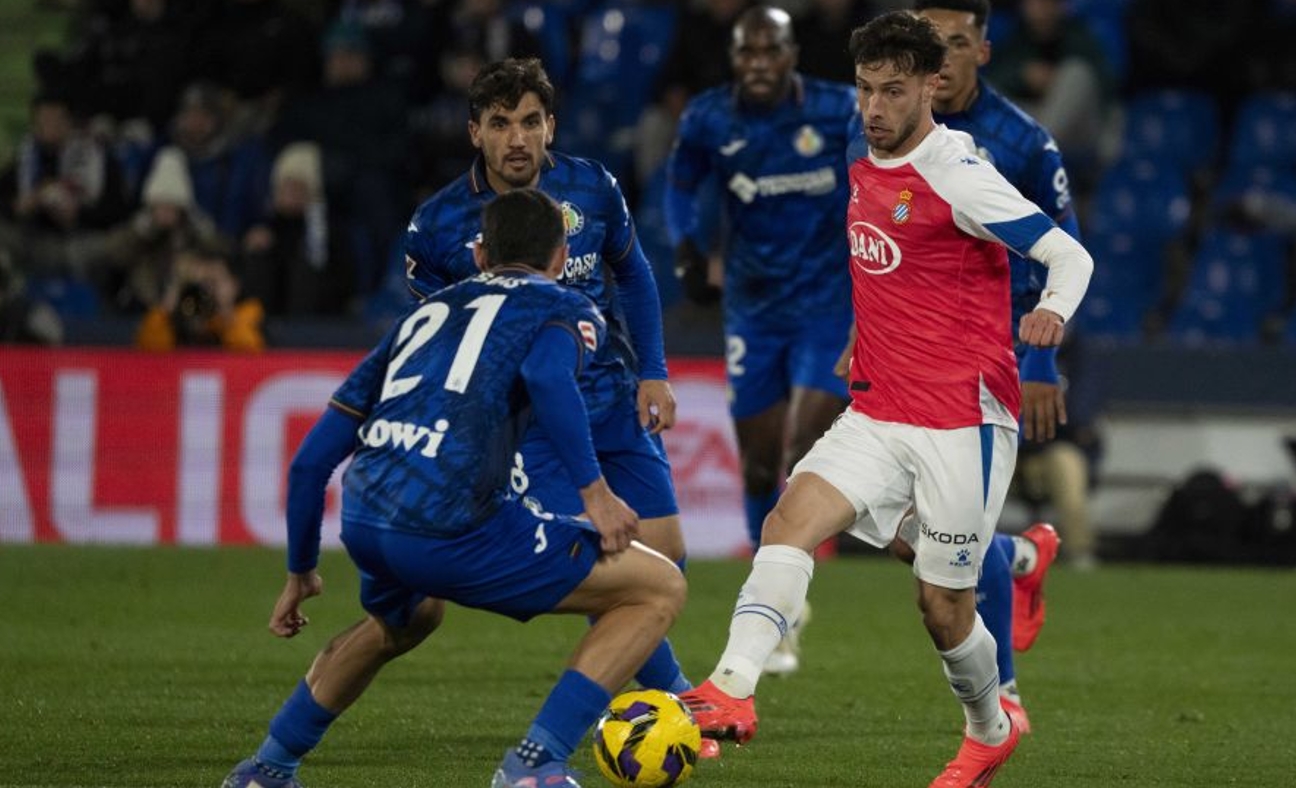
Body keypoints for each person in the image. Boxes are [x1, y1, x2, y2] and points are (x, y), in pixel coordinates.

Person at [679, 12, 1092, 788]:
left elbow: (1068, 255)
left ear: (931, 87)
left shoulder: (959, 173)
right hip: (879, 408)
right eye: (866, 89)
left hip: (962, 420)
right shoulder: (866, 154)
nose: (874, 107)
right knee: (789, 519)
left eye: (893, 91)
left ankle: (990, 728)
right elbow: (891, 261)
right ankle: (731, 688)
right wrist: (861, 333)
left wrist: (1051, 315)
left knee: (942, 607)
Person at [221, 188, 687, 788]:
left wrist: (301, 571)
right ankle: (534, 763)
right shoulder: (566, 305)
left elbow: (310, 464)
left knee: (406, 621)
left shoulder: (422, 316)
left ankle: (266, 768)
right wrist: (595, 494)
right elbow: (548, 376)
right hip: (453, 524)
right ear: (560, 255)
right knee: (656, 587)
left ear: (481, 254)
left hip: (367, 517)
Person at [404, 57, 696, 703]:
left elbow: (635, 275)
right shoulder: (438, 224)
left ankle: (645, 690)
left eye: (531, 122)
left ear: (551, 126)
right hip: (529, 421)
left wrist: (653, 372)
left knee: (666, 552)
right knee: (606, 560)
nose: (518, 138)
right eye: (501, 123)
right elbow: (436, 336)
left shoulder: (592, 187)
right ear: (474, 131)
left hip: (613, 398)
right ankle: (674, 701)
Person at [664, 5, 858, 675]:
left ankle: (779, 603)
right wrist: (687, 249)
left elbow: (881, 173)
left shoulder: (838, 111)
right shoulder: (709, 118)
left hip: (828, 307)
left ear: (791, 53)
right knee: (755, 465)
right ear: (734, 58)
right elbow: (679, 187)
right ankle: (773, 596)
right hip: (753, 309)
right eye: (747, 53)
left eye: (770, 51)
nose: (758, 64)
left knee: (805, 449)